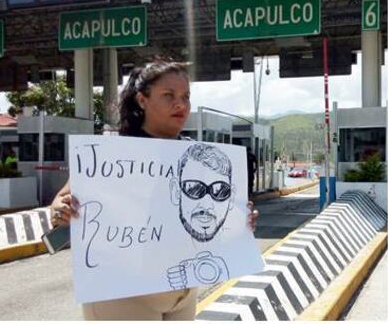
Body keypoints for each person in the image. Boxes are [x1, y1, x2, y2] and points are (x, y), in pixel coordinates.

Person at [48, 59, 258, 320]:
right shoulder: (110, 154)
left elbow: (211, 217)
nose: (180, 104)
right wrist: (61, 209)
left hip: (182, 293)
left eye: (185, 96)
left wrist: (240, 220)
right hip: (122, 294)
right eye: (168, 95)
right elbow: (62, 200)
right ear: (142, 100)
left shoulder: (196, 155)